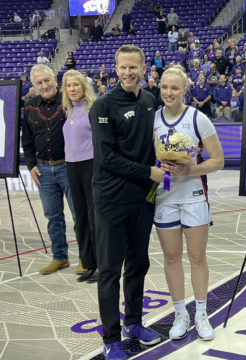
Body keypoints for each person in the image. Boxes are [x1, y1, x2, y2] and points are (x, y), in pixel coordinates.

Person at [90, 45, 164, 359]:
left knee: (138, 264)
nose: (128, 73)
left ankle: (134, 322)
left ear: (144, 68)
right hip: (111, 199)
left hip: (143, 198)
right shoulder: (103, 106)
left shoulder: (149, 100)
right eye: (123, 67)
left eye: (134, 67)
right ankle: (111, 339)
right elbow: (107, 158)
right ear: (115, 69)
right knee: (109, 271)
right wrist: (148, 171)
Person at [153, 65, 224, 341]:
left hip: (194, 196)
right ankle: (180, 313)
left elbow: (218, 160)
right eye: (164, 87)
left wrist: (188, 170)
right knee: (171, 258)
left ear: (185, 90)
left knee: (196, 257)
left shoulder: (198, 118)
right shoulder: (153, 118)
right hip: (164, 197)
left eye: (174, 88)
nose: (168, 92)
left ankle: (201, 312)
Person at [22, 64, 75, 275]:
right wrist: (31, 165)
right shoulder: (29, 107)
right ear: (34, 85)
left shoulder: (70, 101)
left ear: (55, 79)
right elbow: (27, 141)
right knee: (53, 217)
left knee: (80, 216)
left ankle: (88, 259)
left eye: (47, 80)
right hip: (44, 169)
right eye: (39, 83)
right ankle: (60, 258)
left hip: (69, 167)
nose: (44, 86)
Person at [61, 70, 98, 283]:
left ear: (84, 87)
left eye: (76, 84)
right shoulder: (69, 111)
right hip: (72, 166)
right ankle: (89, 263)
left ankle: (102, 264)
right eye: (68, 85)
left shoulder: (92, 109)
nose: (72, 89)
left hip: (90, 165)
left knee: (94, 217)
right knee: (81, 218)